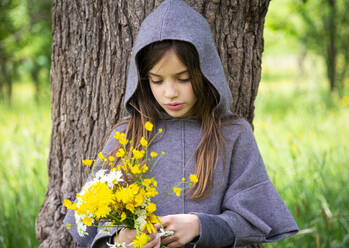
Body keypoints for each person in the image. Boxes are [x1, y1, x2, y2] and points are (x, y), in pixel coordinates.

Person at [63, 0, 299, 247]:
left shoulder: (233, 134)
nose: (170, 93)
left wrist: (200, 226)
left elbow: (255, 219)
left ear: (206, 73)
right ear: (144, 80)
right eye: (157, 81)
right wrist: (118, 239)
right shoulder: (127, 136)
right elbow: (87, 220)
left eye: (183, 79)